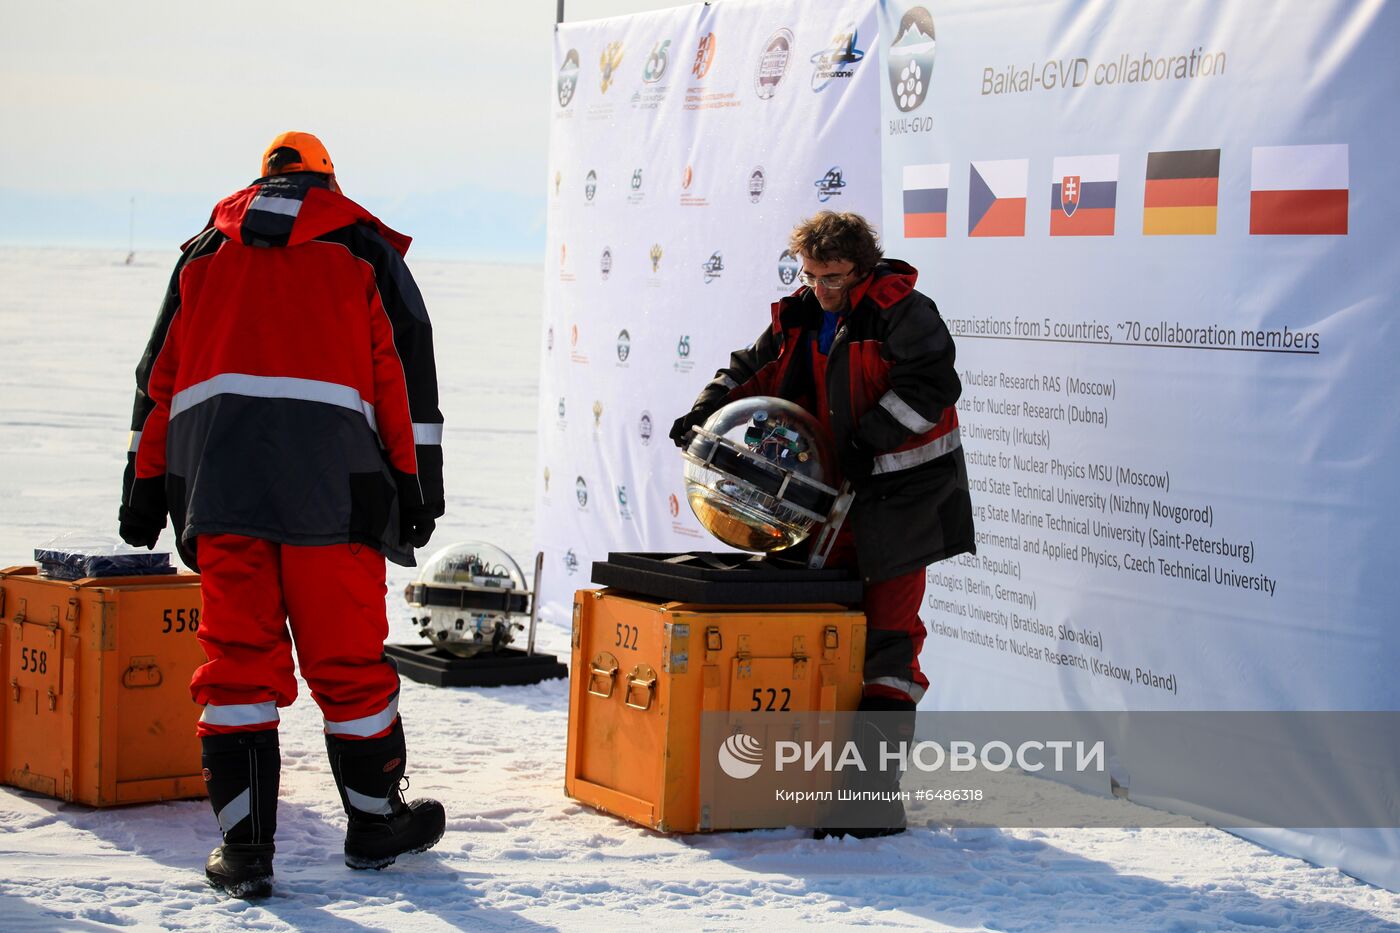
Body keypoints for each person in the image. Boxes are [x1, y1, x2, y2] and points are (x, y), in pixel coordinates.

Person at [118, 131, 446, 897]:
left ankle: (245, 852)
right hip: (339, 490)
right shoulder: (361, 248)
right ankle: (373, 825)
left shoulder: (204, 253)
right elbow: (404, 380)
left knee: (237, 665)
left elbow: (158, 380)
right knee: (348, 663)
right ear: (327, 181)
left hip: (221, 490)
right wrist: (417, 486)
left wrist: (141, 486)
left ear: (263, 180)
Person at [669, 211, 975, 835]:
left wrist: (872, 440)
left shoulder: (905, 311)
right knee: (810, 634)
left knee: (888, 644)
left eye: (832, 278)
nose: (821, 289)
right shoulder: (801, 314)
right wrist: (704, 411)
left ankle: (870, 796)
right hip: (826, 506)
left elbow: (933, 384)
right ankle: (795, 776)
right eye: (811, 276)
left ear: (862, 267)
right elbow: (749, 369)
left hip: (900, 504)